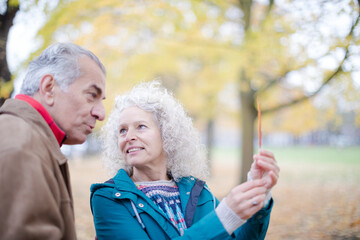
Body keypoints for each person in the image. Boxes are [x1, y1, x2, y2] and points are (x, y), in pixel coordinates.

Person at [90, 81, 279, 239]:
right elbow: (222, 223)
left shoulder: (198, 191)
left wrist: (258, 194)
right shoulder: (108, 199)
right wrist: (225, 216)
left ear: (167, 135)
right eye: (122, 130)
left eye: (140, 127)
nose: (128, 136)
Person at [0, 42, 106, 240]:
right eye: (92, 95)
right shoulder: (22, 146)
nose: (101, 113)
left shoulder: (30, 140)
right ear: (49, 88)